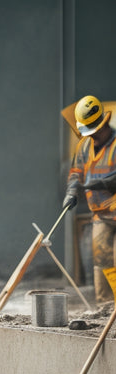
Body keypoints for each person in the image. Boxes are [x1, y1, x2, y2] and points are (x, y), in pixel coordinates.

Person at [63, 95, 116, 303]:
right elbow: (76, 172)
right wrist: (72, 191)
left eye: (95, 131)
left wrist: (103, 183)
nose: (93, 136)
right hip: (101, 215)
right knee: (102, 260)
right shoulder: (84, 146)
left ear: (103, 124)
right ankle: (106, 307)